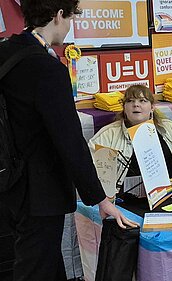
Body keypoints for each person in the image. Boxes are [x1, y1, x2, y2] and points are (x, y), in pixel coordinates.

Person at [0, 1, 138, 280]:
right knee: (35, 266)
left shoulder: (6, 51)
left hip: (8, 180)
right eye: (72, 16)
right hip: (39, 191)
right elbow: (70, 140)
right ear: (58, 15)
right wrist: (99, 198)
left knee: (42, 260)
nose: (71, 24)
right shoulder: (48, 69)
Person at [88, 85, 172, 188]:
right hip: (126, 200)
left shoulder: (169, 128)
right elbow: (89, 170)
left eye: (142, 101)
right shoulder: (107, 135)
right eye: (130, 101)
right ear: (124, 107)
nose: (136, 104)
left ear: (152, 107)